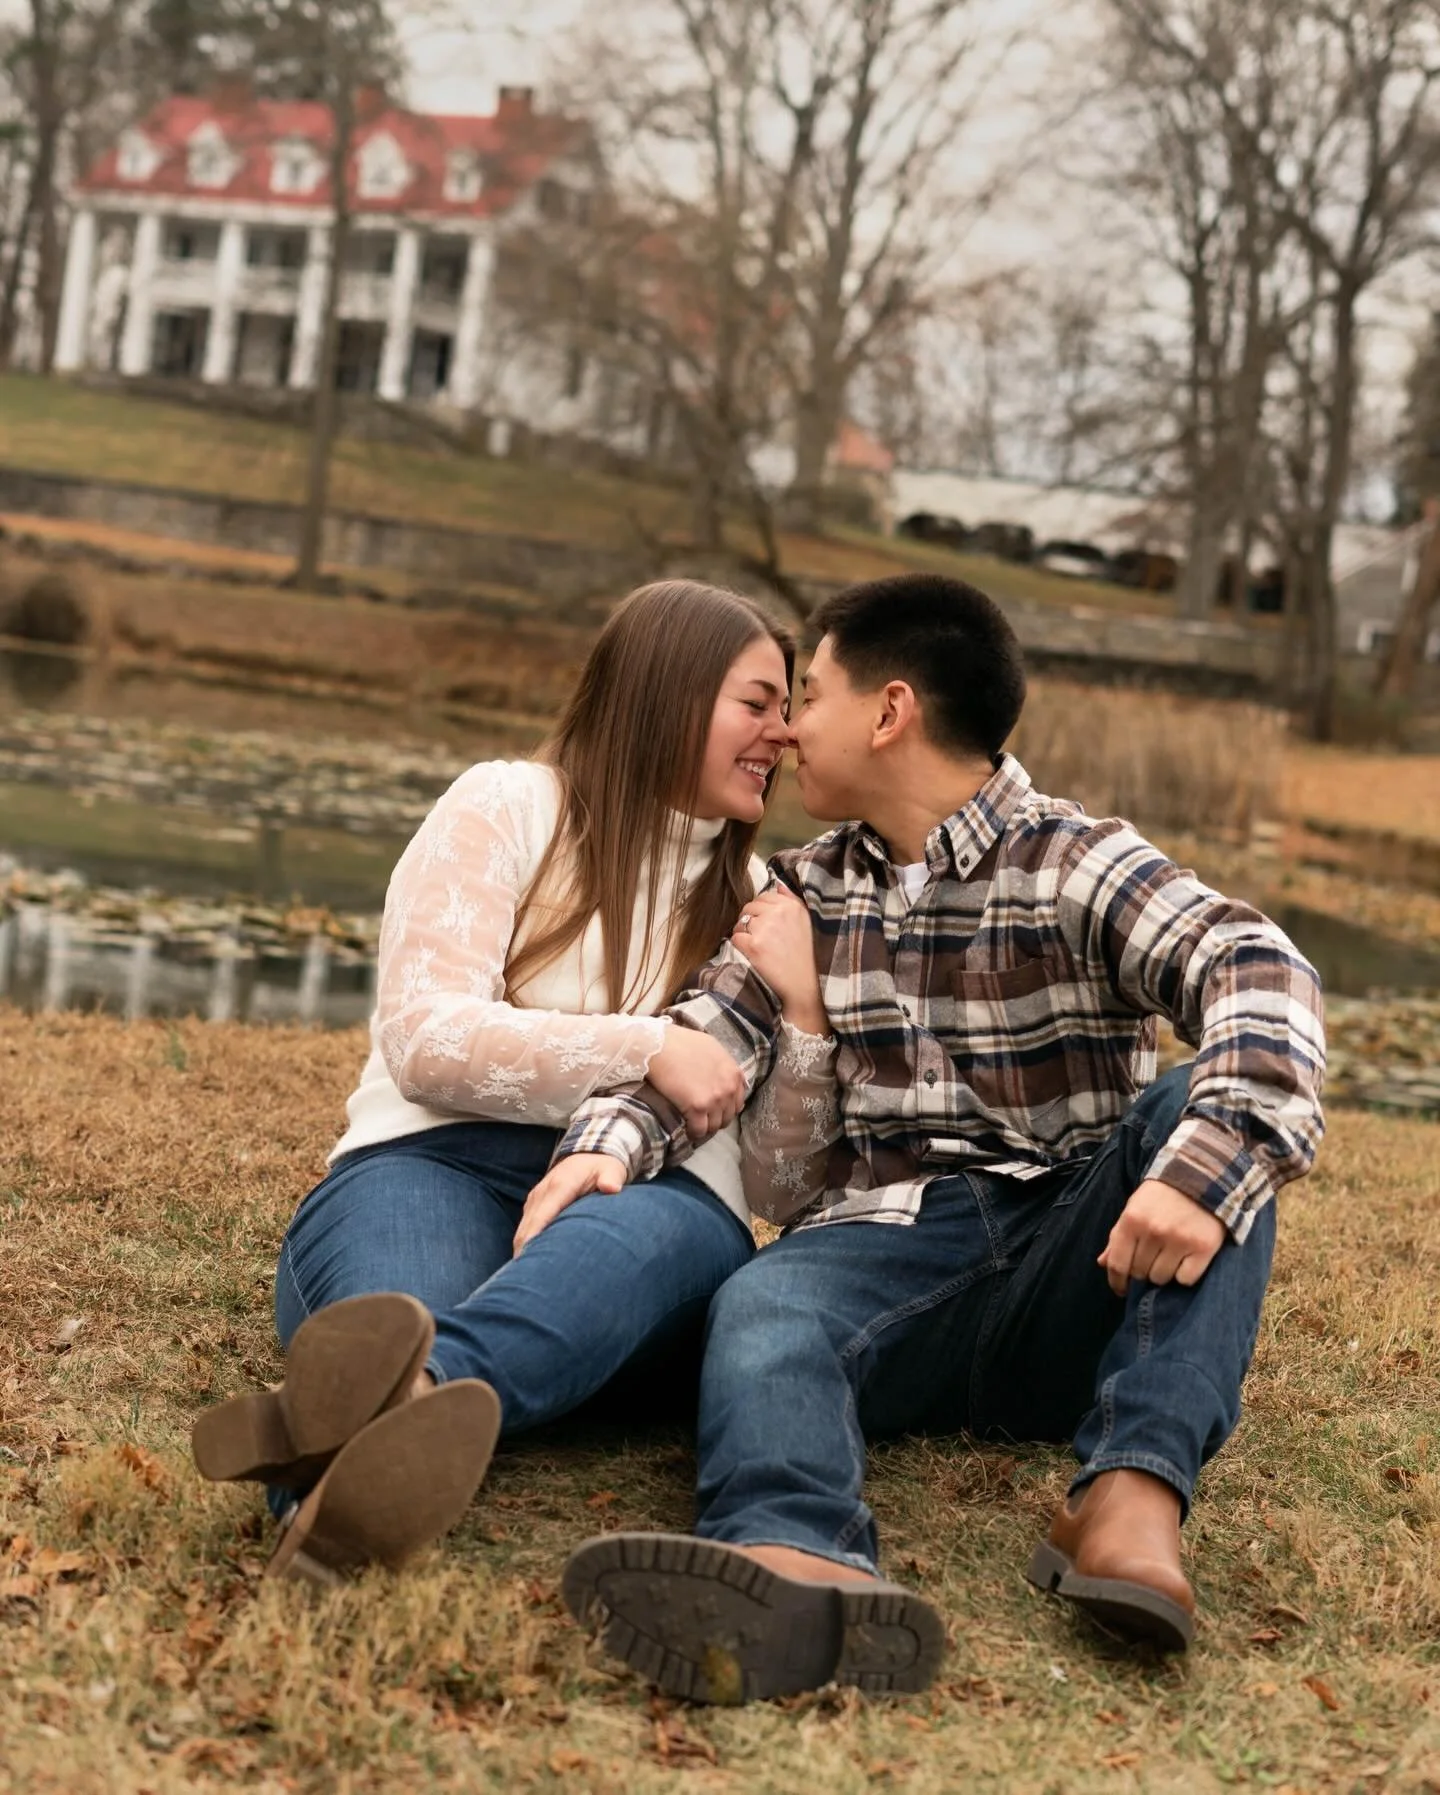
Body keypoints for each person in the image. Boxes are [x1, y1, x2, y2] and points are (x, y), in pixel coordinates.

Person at [531, 571, 1327, 1703]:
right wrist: (606, 1142)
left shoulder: (1070, 859)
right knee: (765, 1305)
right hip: (880, 1261)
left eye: (810, 692)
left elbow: (1257, 965)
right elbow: (701, 1041)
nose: (791, 726)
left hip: (1074, 1255)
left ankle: (1131, 1495)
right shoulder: (804, 890)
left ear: (889, 712)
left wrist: (1199, 1170)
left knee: (1200, 1116)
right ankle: (796, 1555)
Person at [189, 579, 837, 1585]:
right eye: (757, 702)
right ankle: (345, 1500)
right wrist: (646, 1046)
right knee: (395, 1310)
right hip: (429, 1163)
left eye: (789, 706)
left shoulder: (759, 902)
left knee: (609, 1263)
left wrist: (803, 1021)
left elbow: (779, 1188)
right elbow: (427, 1038)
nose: (785, 734)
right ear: (666, 691)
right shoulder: (507, 806)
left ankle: (397, 1403)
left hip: (643, 1209)